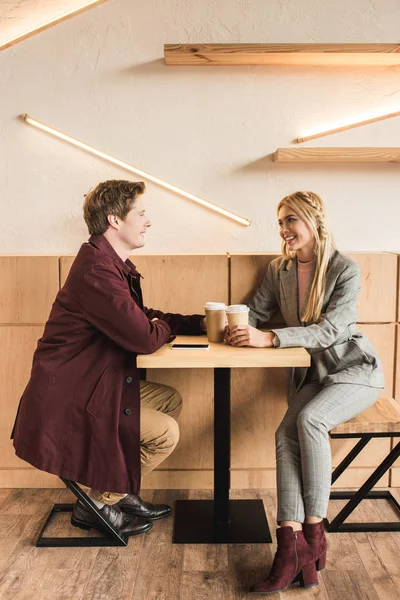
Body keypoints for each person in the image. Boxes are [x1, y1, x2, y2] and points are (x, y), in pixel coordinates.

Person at [12, 179, 206, 537]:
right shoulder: (98, 271)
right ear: (115, 220)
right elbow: (144, 336)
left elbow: (140, 316)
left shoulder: (107, 263)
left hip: (91, 384)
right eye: (142, 213)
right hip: (69, 398)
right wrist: (161, 326)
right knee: (165, 433)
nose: (148, 221)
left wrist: (199, 324)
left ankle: (120, 493)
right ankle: (98, 504)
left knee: (168, 398)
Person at [226, 191, 384, 594]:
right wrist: (231, 324)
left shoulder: (345, 269)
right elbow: (256, 312)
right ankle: (289, 543)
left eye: (291, 220)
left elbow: (331, 331)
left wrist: (271, 339)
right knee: (284, 433)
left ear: (314, 220)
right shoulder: (278, 269)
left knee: (310, 420)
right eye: (280, 222)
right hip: (313, 375)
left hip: (353, 371)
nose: (283, 230)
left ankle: (314, 534)